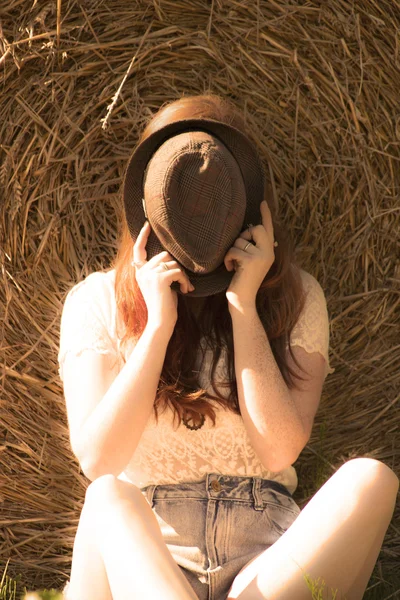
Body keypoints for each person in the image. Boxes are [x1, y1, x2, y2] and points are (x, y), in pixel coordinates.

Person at [58, 94, 398, 600]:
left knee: (372, 480)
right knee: (107, 498)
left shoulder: (295, 297)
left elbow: (280, 447)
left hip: (264, 566)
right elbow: (99, 458)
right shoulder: (97, 300)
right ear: (149, 206)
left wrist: (244, 306)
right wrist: (156, 328)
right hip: (150, 559)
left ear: (247, 206)